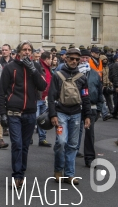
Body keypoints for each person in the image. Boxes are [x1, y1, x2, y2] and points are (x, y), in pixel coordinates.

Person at [0, 40, 47, 189]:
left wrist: (33, 69)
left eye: (29, 50)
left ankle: (22, 172)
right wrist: (2, 114)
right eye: (24, 49)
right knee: (17, 144)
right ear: (19, 52)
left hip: (30, 112)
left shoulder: (36, 66)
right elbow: (1, 92)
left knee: (25, 145)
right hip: (14, 112)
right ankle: (17, 175)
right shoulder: (10, 68)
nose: (27, 52)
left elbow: (43, 86)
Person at [48, 48, 92, 185]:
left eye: (77, 59)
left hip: (76, 114)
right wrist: (53, 114)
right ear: (66, 58)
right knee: (61, 142)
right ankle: (58, 170)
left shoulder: (82, 77)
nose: (74, 61)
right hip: (61, 113)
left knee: (73, 145)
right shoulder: (57, 75)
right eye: (72, 58)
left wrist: (87, 116)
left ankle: (69, 174)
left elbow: (85, 97)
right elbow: (51, 96)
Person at [76, 49, 103, 168]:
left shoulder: (94, 74)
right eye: (82, 58)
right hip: (75, 106)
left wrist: (99, 108)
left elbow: (99, 92)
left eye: (87, 58)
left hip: (91, 107)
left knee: (89, 134)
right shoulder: (74, 72)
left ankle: (90, 158)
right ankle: (67, 156)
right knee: (73, 133)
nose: (84, 60)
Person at [34, 51, 53, 147]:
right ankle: (28, 137)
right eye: (51, 58)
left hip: (45, 98)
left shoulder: (49, 68)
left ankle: (42, 139)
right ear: (46, 59)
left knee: (43, 119)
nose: (52, 61)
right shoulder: (38, 66)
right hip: (38, 97)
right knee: (34, 119)